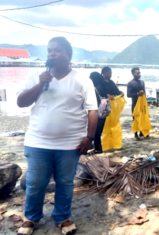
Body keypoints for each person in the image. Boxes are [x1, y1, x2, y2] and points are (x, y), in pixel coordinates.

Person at [16, 37, 98, 235]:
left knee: (65, 182)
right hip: (38, 141)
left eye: (57, 50)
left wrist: (89, 137)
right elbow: (21, 102)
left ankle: (62, 217)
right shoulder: (37, 75)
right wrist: (40, 84)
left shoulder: (82, 80)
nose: (52, 53)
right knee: (35, 182)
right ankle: (32, 217)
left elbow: (92, 111)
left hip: (70, 143)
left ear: (68, 55)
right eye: (49, 50)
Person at [90, 67, 124, 153]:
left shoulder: (96, 87)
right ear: (103, 73)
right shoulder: (101, 85)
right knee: (99, 129)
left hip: (99, 110)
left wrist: (119, 93)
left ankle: (98, 148)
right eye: (109, 72)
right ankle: (97, 146)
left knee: (97, 130)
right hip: (105, 110)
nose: (110, 74)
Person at [127, 67, 147, 140]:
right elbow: (128, 94)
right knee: (135, 119)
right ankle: (136, 134)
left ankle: (142, 131)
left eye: (139, 73)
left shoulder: (142, 82)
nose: (139, 74)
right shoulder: (130, 83)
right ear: (133, 74)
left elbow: (144, 92)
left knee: (143, 118)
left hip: (142, 104)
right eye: (137, 73)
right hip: (135, 103)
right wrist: (137, 94)